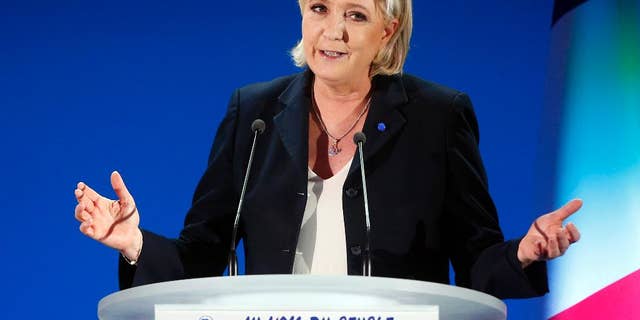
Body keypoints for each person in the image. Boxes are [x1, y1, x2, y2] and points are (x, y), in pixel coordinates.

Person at [74, 0, 582, 299]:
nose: (332, 31)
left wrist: (522, 252)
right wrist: (133, 242)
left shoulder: (438, 117)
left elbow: (477, 262)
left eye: (356, 14)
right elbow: (203, 257)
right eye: (319, 8)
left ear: (388, 28)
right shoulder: (252, 114)